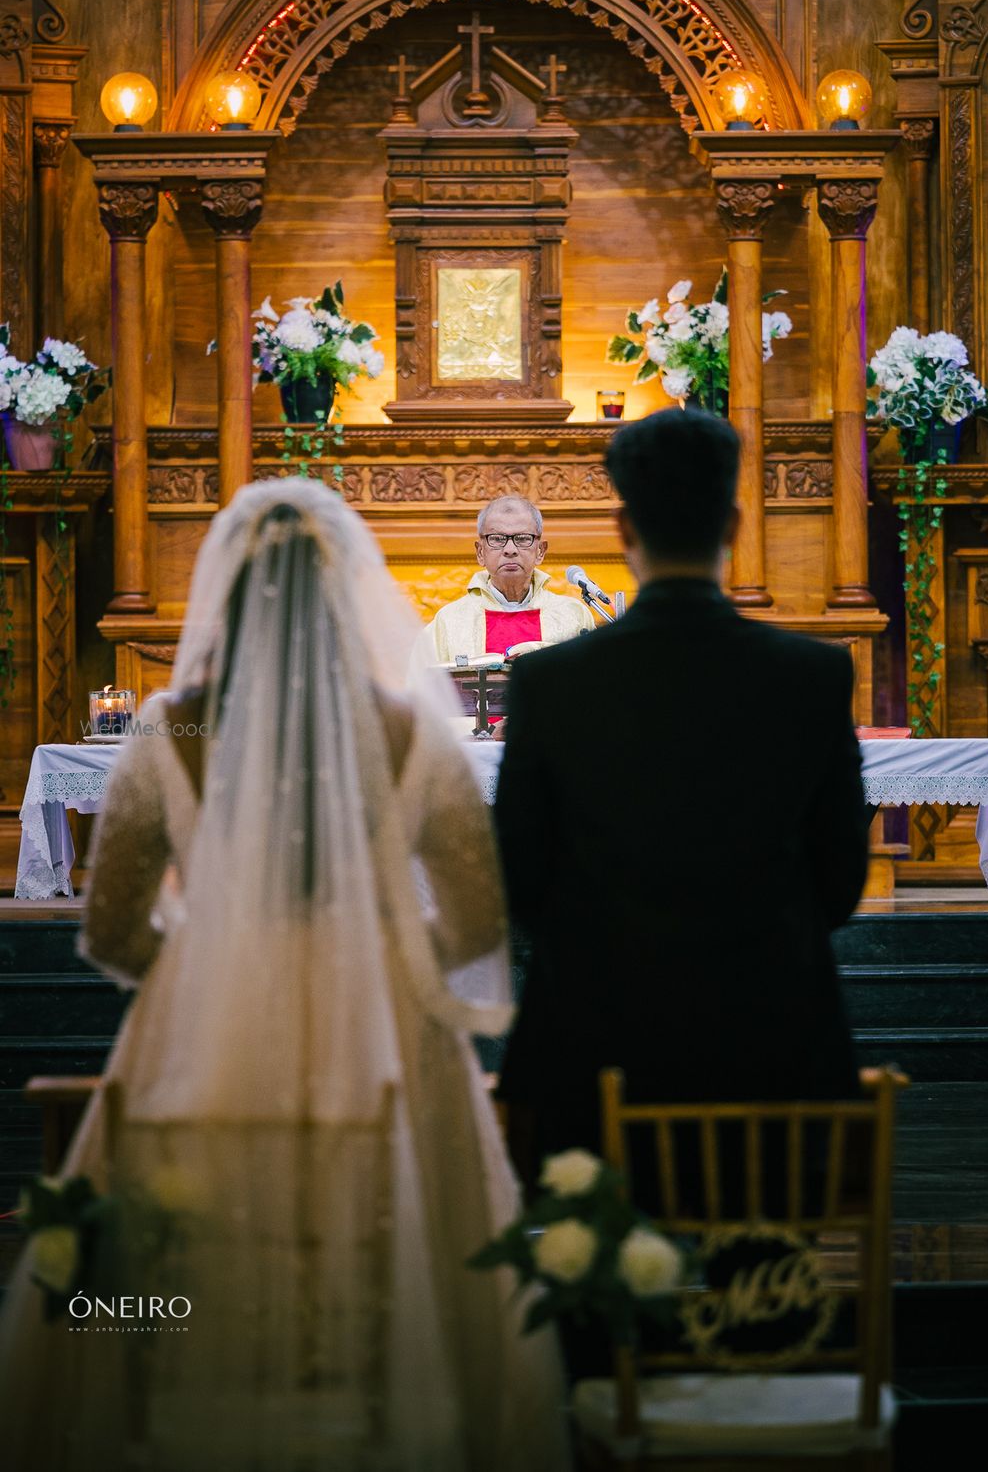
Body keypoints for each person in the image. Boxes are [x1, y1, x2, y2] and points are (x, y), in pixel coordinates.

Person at [0, 479, 570, 1472]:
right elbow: (480, 916)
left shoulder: (171, 728)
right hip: (385, 1039)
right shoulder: (408, 731)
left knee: (165, 1254)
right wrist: (384, 962)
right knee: (419, 1255)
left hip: (211, 1035)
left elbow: (110, 928)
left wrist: (207, 964)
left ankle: (160, 1401)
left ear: (230, 592)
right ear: (350, 592)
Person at [495, 408, 870, 1184]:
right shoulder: (813, 676)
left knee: (591, 1289)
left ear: (623, 525)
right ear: (734, 521)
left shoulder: (550, 682)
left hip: (590, 1061)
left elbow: (522, 881)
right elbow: (839, 883)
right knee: (763, 1285)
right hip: (771, 1056)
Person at [419, 495, 594, 664]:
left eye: (523, 538)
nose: (510, 549)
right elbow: (421, 686)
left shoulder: (573, 615)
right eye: (497, 539)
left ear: (540, 551)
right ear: (480, 552)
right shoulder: (449, 620)